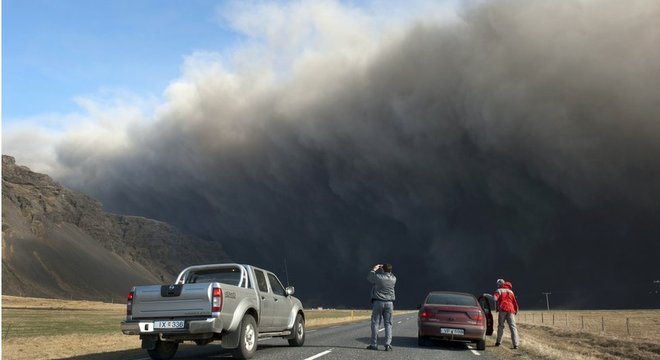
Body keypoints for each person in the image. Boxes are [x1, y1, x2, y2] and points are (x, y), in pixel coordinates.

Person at [366, 263, 396, 351]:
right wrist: (385, 269)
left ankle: (374, 344)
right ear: (390, 270)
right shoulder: (394, 279)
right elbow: (390, 274)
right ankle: (387, 344)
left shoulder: (378, 277)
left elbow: (369, 277)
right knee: (388, 324)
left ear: (383, 270)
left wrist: (374, 269)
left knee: (375, 323)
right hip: (389, 303)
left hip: (378, 302)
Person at [493, 278, 520, 349]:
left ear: (500, 284)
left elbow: (495, 298)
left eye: (498, 284)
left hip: (502, 310)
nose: (497, 285)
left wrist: (488, 296)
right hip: (511, 310)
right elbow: (514, 302)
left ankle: (498, 342)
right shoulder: (511, 292)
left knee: (501, 326)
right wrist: (516, 310)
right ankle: (516, 344)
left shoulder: (499, 290)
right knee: (513, 327)